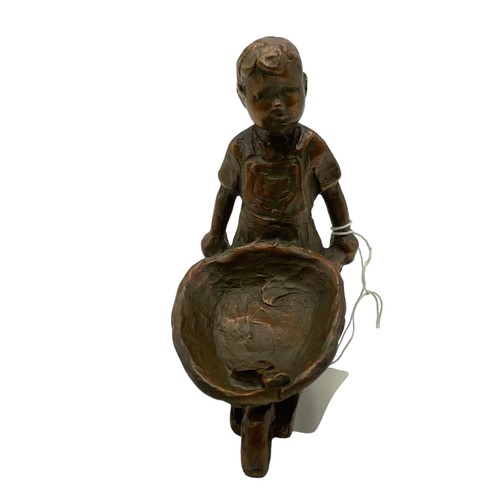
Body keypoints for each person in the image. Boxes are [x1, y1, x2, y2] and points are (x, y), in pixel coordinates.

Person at [202, 36, 358, 270]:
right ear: (242, 94)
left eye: (288, 92)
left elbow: (332, 192)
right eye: (263, 96)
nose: (277, 105)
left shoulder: (311, 146)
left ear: (304, 86)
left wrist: (342, 239)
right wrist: (215, 236)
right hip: (248, 248)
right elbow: (226, 194)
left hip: (303, 249)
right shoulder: (241, 148)